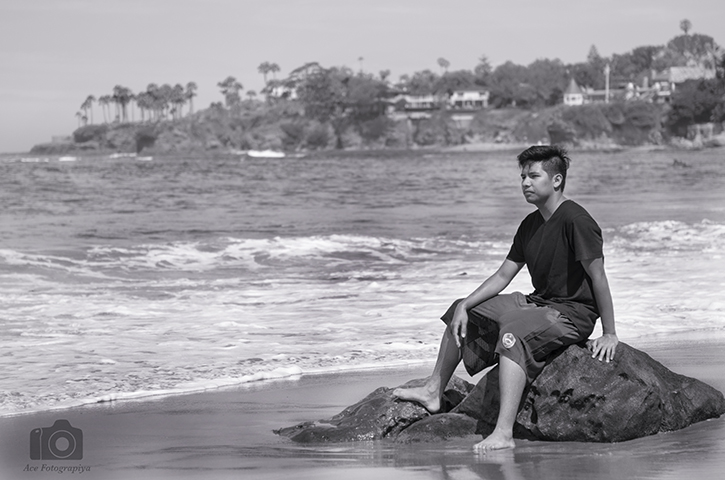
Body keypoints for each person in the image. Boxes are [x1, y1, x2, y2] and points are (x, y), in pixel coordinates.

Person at [393, 145, 619, 452]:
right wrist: (465, 304)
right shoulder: (530, 224)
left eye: (533, 176)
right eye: (523, 176)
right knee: (462, 310)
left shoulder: (576, 220)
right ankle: (434, 390)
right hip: (539, 302)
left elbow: (598, 276)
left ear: (556, 180)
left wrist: (609, 333)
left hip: (571, 315)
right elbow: (503, 276)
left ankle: (503, 433)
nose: (525, 182)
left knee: (513, 335)